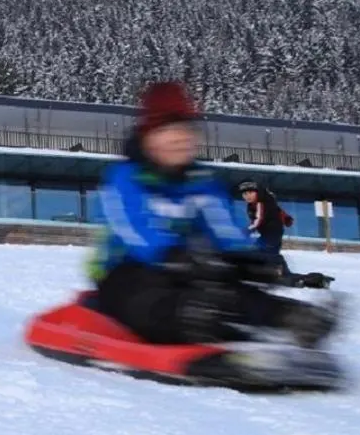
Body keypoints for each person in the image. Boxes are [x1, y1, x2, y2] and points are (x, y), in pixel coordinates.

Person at [87, 81, 337, 348]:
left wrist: (246, 259)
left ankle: (292, 317)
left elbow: (223, 226)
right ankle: (187, 319)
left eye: (187, 131)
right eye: (169, 131)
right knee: (139, 291)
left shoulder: (201, 180)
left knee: (231, 287)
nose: (180, 139)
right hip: (124, 269)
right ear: (148, 137)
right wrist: (171, 255)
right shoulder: (126, 178)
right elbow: (133, 228)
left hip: (185, 268)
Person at [239, 179, 294, 277]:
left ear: (257, 192)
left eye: (250, 192)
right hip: (270, 232)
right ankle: (277, 273)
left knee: (260, 251)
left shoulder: (261, 203)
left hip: (272, 232)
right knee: (269, 253)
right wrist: (286, 218)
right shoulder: (261, 202)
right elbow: (278, 210)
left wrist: (245, 231)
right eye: (245, 194)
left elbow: (258, 220)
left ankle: (282, 273)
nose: (247, 196)